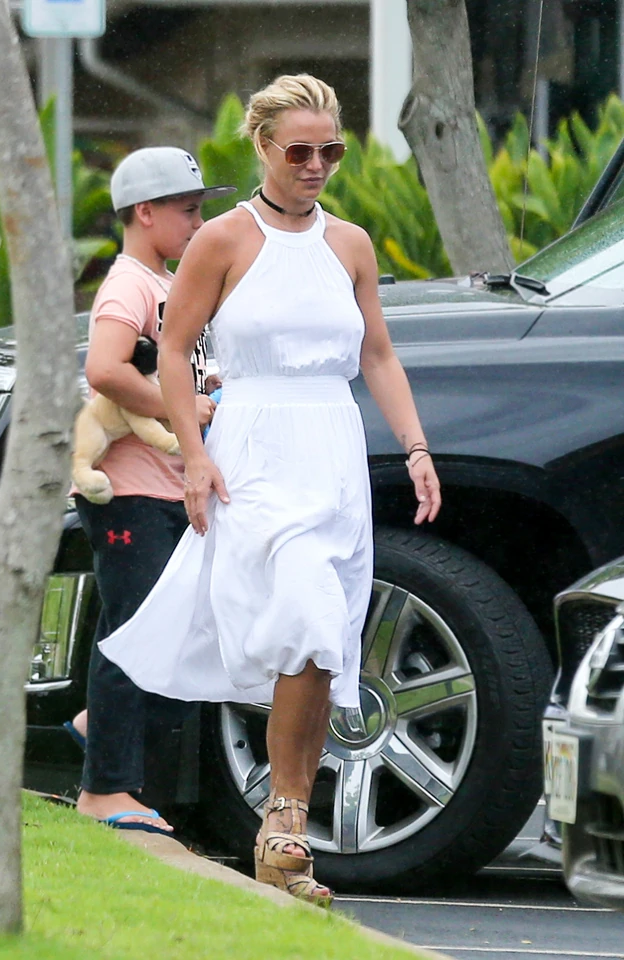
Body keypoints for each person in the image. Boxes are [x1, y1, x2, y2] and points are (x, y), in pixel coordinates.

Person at [100, 75, 441, 896]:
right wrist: (195, 454)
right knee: (305, 617)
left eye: (332, 151)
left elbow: (378, 355)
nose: (317, 165)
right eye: (300, 152)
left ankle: (284, 824)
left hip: (332, 450)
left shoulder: (350, 244)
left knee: (323, 640)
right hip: (254, 447)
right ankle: (285, 824)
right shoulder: (223, 239)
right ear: (262, 147)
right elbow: (173, 351)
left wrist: (417, 446)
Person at [72, 147, 235, 833]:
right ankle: (105, 790)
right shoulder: (129, 286)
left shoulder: (170, 282)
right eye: (188, 211)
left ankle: (98, 725)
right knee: (132, 632)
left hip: (169, 491)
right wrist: (179, 405)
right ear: (145, 212)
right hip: (129, 492)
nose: (199, 224)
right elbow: (105, 369)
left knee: (172, 633)